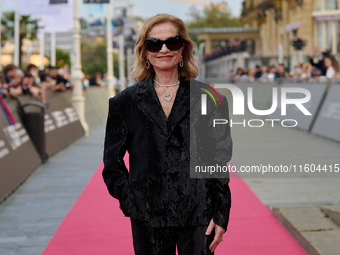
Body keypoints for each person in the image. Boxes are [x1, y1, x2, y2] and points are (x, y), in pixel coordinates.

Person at [102, 13, 232, 255]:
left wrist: (221, 213)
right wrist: (132, 202)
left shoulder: (210, 98)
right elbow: (112, 163)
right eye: (154, 43)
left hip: (198, 214)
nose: (163, 50)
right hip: (147, 214)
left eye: (172, 42)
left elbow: (219, 158)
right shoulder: (124, 102)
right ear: (144, 50)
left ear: (183, 47)